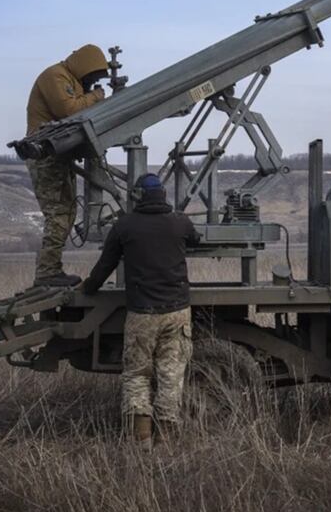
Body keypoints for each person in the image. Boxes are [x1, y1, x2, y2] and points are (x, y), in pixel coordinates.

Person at [82, 174, 201, 448]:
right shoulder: (180, 222)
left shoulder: (125, 226)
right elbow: (195, 239)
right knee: (171, 375)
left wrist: (88, 289)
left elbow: (105, 265)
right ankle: (167, 438)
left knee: (137, 374)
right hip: (177, 312)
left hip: (142, 314)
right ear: (162, 195)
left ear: (137, 197)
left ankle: (142, 439)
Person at [26, 44, 109, 287]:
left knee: (67, 212)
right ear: (84, 67)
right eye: (91, 76)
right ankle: (47, 273)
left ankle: (51, 270)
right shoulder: (55, 76)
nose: (91, 82)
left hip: (58, 156)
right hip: (44, 155)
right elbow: (68, 110)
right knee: (58, 215)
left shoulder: (68, 78)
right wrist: (96, 96)